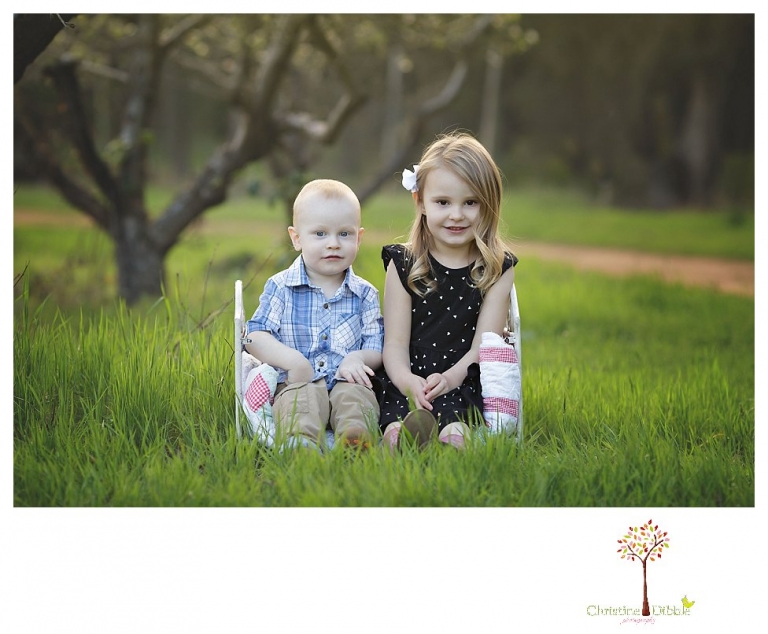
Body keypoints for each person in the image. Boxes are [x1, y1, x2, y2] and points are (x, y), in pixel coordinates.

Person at [378, 131, 518, 450]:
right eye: (443, 202)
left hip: (464, 372)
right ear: (421, 202)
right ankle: (395, 442)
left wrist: (451, 378)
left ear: (488, 205)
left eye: (470, 203)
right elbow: (395, 343)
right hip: (407, 372)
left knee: (455, 417)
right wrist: (406, 381)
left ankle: (453, 442)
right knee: (396, 415)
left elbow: (485, 346)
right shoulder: (403, 262)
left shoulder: (497, 268)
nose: (457, 214)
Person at [245, 179, 383, 450]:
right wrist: (293, 361)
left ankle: (355, 440)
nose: (333, 244)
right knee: (299, 404)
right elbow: (254, 337)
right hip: (300, 380)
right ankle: (301, 443)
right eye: (320, 234)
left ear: (359, 237)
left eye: (344, 234)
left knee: (358, 399)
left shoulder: (365, 293)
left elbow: (376, 345)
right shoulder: (281, 287)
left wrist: (357, 358)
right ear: (296, 238)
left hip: (347, 380)